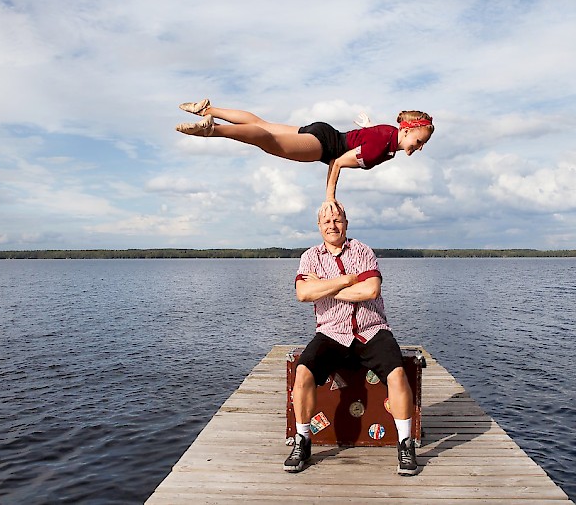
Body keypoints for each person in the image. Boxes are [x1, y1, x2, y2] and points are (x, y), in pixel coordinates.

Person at [284, 202, 418, 476]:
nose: (332, 225)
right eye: (326, 221)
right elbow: (302, 294)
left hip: (372, 329)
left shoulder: (362, 251)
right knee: (303, 372)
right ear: (319, 227)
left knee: (397, 373)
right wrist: (347, 280)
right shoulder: (310, 257)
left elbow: (370, 290)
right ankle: (303, 440)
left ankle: (405, 444)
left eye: (337, 220)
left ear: (346, 222)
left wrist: (324, 286)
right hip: (331, 332)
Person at [175, 99, 434, 212]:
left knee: (264, 125)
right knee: (269, 141)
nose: (419, 147)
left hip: (324, 130)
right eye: (419, 141)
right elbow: (338, 162)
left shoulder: (388, 135)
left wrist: (367, 125)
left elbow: (372, 133)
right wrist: (330, 197)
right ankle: (214, 129)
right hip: (324, 145)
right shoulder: (382, 149)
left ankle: (207, 109)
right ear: (407, 129)